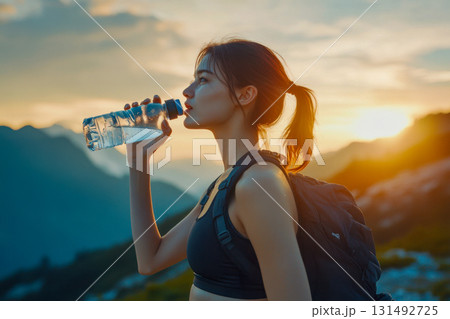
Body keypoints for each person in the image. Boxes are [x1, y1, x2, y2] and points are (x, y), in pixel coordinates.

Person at [124, 38, 317, 301]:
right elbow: (150, 259)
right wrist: (139, 159)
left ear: (245, 94)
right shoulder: (225, 185)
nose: (187, 91)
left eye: (203, 80)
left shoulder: (258, 184)